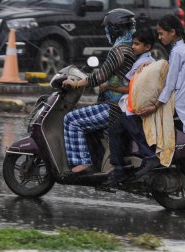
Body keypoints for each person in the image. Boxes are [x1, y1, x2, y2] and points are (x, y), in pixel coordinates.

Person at [106, 14, 185, 184]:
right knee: (126, 116)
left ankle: (144, 156)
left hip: (175, 102)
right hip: (183, 101)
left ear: (172, 32)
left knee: (126, 117)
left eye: (161, 34)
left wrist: (154, 106)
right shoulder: (181, 49)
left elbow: (170, 85)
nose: (160, 37)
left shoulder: (177, 52)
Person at [62, 8, 136, 173]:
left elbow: (100, 77)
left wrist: (75, 84)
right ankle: (97, 162)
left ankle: (81, 163)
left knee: (71, 120)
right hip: (124, 105)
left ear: (115, 29)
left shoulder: (119, 51)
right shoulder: (131, 48)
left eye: (108, 27)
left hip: (114, 107)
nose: (106, 31)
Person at [104, 27, 157, 185]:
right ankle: (122, 167)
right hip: (138, 104)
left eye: (137, 44)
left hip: (134, 107)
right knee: (119, 130)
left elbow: (130, 88)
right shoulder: (148, 61)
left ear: (147, 47)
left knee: (119, 130)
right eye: (133, 43)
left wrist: (108, 86)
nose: (133, 47)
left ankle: (124, 166)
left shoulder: (143, 63)